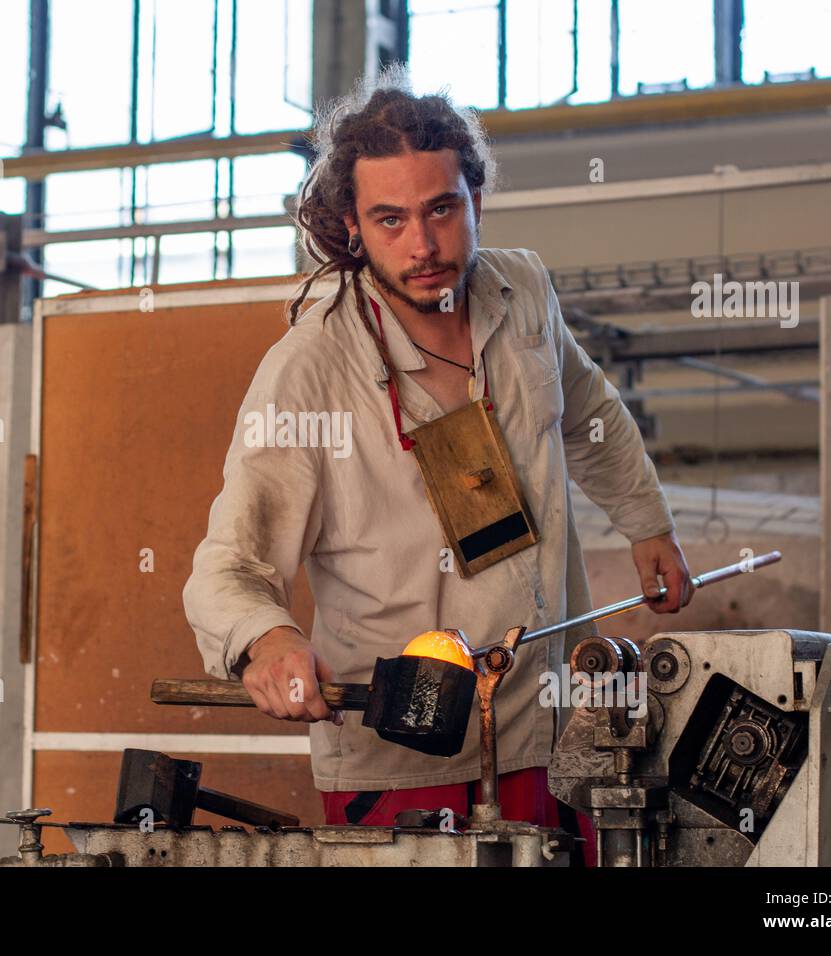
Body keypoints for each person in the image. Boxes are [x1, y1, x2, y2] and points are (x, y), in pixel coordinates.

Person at [182, 66, 693, 865]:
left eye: (441, 210)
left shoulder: (522, 292)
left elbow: (589, 411)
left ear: (476, 202)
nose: (422, 246)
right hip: (405, 754)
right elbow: (229, 564)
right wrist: (268, 639)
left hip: (552, 724)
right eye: (390, 220)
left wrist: (646, 522)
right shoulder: (311, 368)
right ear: (353, 225)